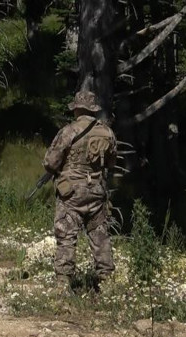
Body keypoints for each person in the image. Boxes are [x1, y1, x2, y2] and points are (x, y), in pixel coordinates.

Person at [43, 90, 118, 293]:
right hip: (97, 191)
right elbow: (111, 163)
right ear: (92, 109)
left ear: (76, 109)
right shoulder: (107, 132)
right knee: (99, 234)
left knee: (66, 234)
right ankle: (107, 280)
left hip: (71, 193)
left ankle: (63, 281)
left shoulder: (68, 131)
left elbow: (50, 162)